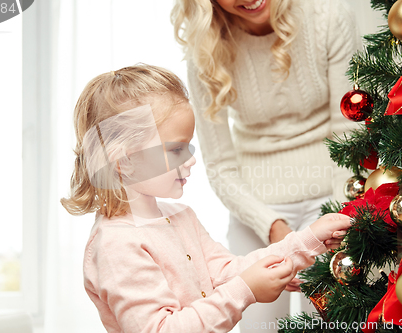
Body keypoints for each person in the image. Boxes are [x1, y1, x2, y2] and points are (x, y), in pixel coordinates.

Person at [61, 64, 352, 333]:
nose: (191, 160)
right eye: (176, 149)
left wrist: (309, 239)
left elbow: (227, 272)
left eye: (189, 147)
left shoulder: (181, 216)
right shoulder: (116, 245)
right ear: (124, 161)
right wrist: (246, 289)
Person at [171, 0, 359, 330]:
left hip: (331, 196)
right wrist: (276, 230)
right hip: (256, 210)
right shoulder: (206, 48)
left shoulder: (328, 16)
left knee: (331, 320)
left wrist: (337, 215)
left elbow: (349, 130)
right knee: (261, 326)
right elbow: (219, 165)